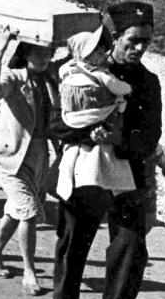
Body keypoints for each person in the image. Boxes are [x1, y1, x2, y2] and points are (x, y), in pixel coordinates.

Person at [50, 1, 161, 299]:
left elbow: (150, 135)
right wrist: (88, 134)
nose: (139, 48)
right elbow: (56, 123)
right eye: (133, 40)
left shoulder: (148, 82)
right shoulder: (77, 70)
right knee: (75, 236)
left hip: (130, 175)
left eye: (146, 41)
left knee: (130, 245)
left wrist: (119, 140)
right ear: (115, 37)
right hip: (85, 171)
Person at [0, 31, 58, 295]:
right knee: (29, 212)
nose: (44, 57)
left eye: (48, 52)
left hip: (37, 154)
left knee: (16, 209)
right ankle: (29, 271)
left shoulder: (50, 79)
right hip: (8, 155)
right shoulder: (13, 78)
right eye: (38, 52)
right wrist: (0, 51)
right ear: (25, 54)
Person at [54, 27, 135, 202]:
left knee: (71, 164)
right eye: (98, 52)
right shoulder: (99, 74)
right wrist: (128, 89)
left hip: (72, 121)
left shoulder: (67, 71)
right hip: (96, 118)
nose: (104, 55)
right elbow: (120, 87)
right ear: (88, 55)